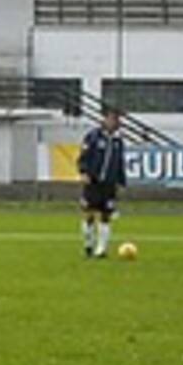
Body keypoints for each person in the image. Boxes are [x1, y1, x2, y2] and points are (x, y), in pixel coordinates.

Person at [77, 109, 126, 258]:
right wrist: (83, 172)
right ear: (105, 120)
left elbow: (120, 162)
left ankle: (101, 249)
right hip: (93, 182)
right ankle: (89, 244)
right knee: (89, 214)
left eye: (117, 120)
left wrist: (121, 181)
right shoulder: (93, 136)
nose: (115, 122)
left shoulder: (118, 141)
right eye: (112, 119)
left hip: (109, 184)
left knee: (106, 216)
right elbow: (83, 156)